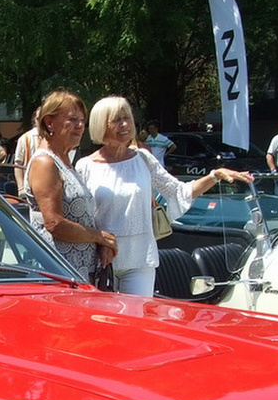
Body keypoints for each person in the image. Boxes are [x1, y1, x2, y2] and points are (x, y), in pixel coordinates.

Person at [80, 95, 252, 296]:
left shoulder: (143, 159)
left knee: (136, 321)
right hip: (101, 259)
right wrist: (99, 243)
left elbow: (179, 191)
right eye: (117, 119)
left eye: (127, 118)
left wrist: (214, 176)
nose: (125, 124)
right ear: (101, 124)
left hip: (140, 259)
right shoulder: (85, 166)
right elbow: (81, 216)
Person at [24, 89, 115, 286]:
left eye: (82, 120)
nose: (80, 126)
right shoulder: (45, 163)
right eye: (72, 119)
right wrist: (99, 237)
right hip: (59, 275)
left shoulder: (65, 161)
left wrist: (100, 244)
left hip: (79, 274)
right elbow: (54, 224)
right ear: (50, 122)